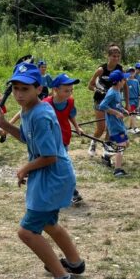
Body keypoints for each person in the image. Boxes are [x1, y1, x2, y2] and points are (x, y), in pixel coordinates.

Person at [0, 60, 84, 279]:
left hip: (52, 175)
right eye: (16, 89)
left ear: (39, 89)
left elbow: (49, 155)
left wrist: (25, 168)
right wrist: (3, 124)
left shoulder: (41, 115)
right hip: (50, 174)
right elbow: (26, 137)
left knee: (28, 231)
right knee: (49, 223)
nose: (20, 95)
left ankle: (63, 278)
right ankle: (75, 262)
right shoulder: (29, 110)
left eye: (26, 89)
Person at [46, 73, 84, 205]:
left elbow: (71, 115)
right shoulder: (46, 104)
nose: (69, 93)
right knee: (58, 166)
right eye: (66, 90)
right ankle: (71, 192)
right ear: (55, 90)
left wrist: (77, 128)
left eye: (71, 90)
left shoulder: (70, 102)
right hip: (49, 140)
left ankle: (68, 192)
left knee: (61, 165)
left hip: (64, 137)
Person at [87, 44, 127, 155]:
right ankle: (93, 143)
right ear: (108, 56)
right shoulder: (101, 70)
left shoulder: (120, 69)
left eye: (118, 56)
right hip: (100, 101)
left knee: (110, 127)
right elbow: (90, 85)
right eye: (114, 56)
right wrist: (97, 89)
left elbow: (125, 86)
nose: (116, 58)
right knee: (101, 128)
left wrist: (127, 103)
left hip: (113, 102)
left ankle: (106, 146)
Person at [96, 70, 130, 177]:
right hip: (114, 124)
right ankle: (117, 170)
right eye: (124, 79)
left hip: (119, 123)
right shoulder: (111, 93)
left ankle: (107, 156)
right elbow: (102, 106)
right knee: (122, 144)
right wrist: (115, 112)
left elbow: (116, 104)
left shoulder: (117, 91)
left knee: (126, 143)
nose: (125, 81)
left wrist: (123, 110)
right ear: (119, 81)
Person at [125, 66, 140, 134]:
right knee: (133, 114)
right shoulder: (125, 81)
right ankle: (135, 128)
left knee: (132, 114)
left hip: (136, 100)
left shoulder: (136, 81)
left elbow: (139, 91)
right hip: (129, 101)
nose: (131, 73)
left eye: (133, 71)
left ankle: (129, 128)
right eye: (130, 72)